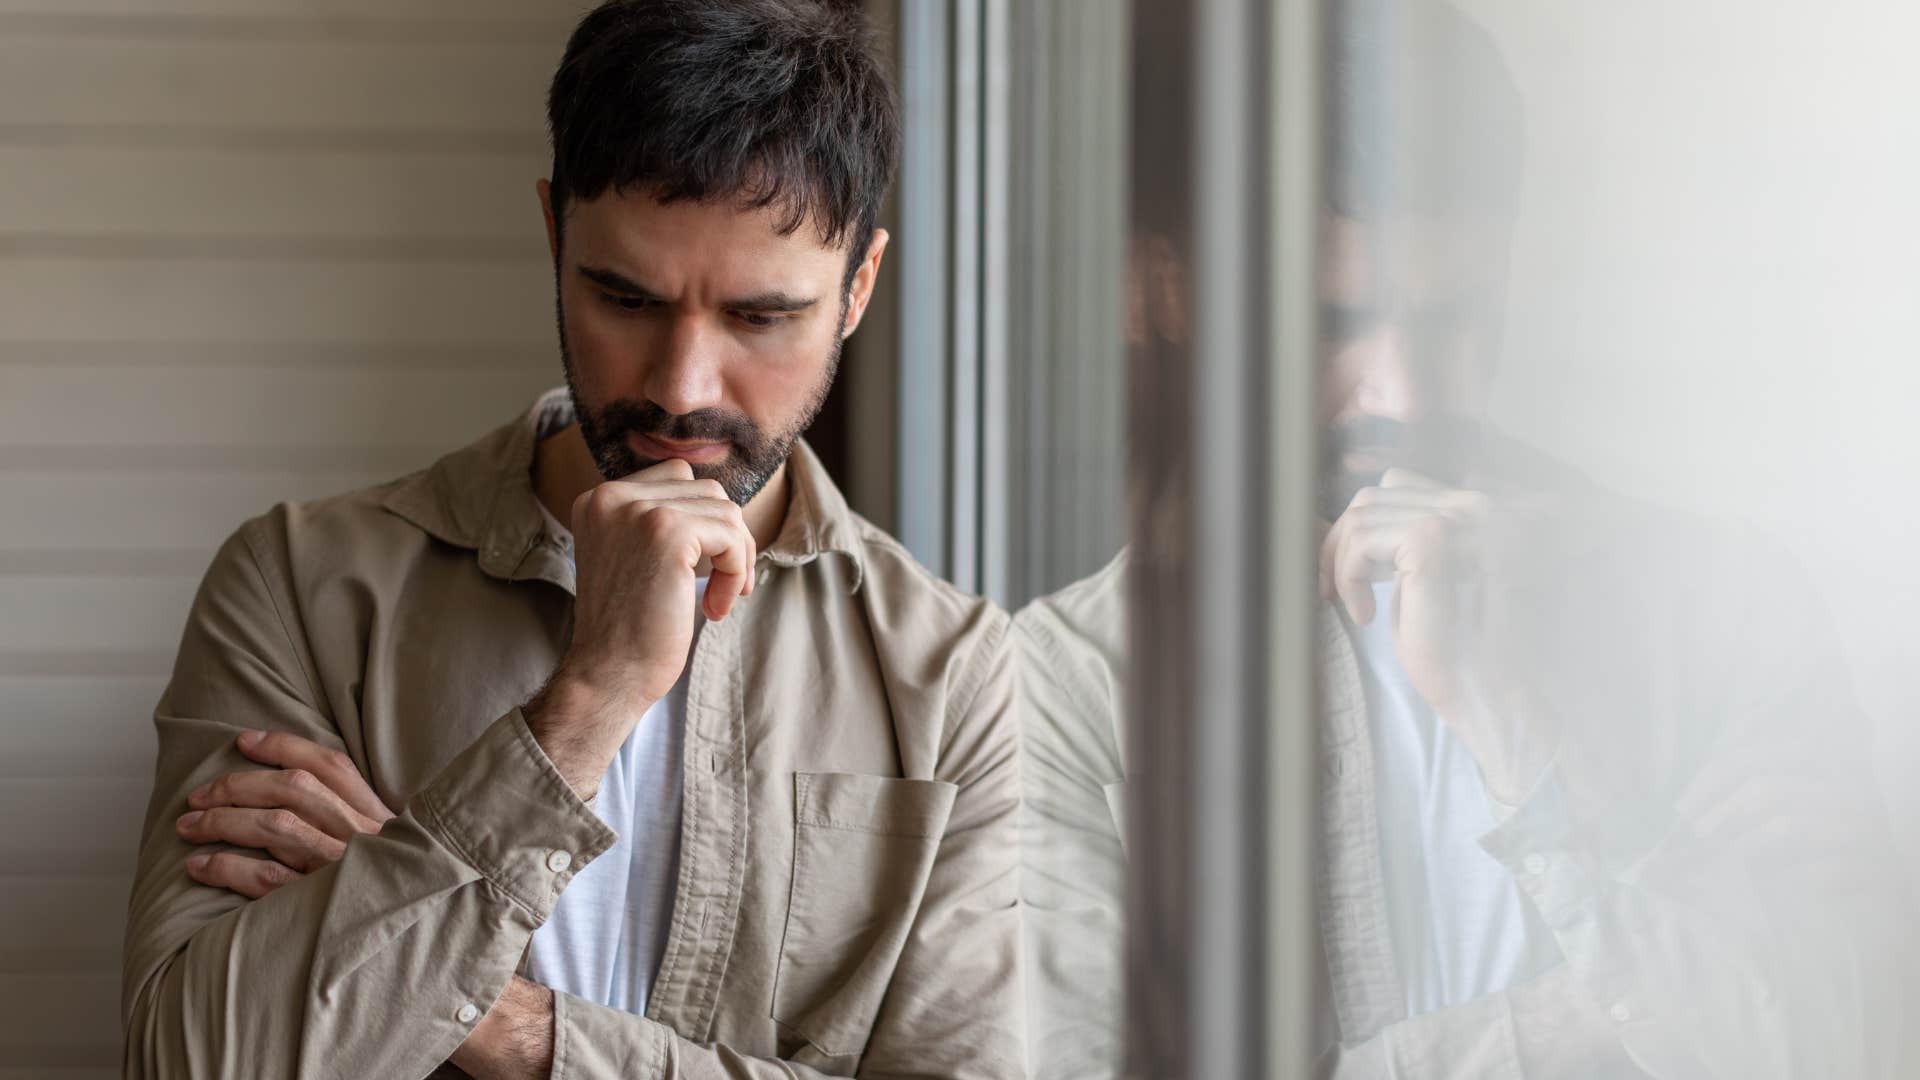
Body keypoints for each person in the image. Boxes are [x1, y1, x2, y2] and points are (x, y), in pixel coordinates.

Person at [119, 3, 1022, 1077]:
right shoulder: (303, 588)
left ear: (858, 289)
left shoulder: (956, 675)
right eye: (623, 298)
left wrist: (500, 1020)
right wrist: (590, 698)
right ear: (555, 237)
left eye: (759, 318)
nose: (682, 389)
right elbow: (193, 1062)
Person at [1018, 2, 1915, 1077]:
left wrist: (1507, 719)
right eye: (1336, 325)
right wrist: (1643, 1003)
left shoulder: (1725, 607)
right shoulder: (1060, 691)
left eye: (1458, 318)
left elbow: (1833, 1039)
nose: (1404, 390)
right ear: (1168, 293)